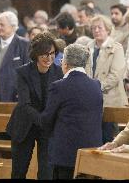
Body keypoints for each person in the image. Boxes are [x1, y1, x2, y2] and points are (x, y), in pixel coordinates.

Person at [33, 43, 103, 179]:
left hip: (66, 154)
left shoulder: (59, 86)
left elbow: (47, 120)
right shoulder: (96, 85)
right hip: (92, 151)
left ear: (65, 63)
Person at [6, 32, 63, 179]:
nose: (48, 58)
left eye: (51, 53)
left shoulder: (59, 72)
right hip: (25, 124)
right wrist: (42, 120)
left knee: (46, 173)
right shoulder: (23, 72)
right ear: (36, 54)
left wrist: (48, 121)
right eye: (44, 54)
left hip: (47, 127)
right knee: (19, 171)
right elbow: (25, 103)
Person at [85, 14, 128, 144]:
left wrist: (96, 87)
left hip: (110, 99)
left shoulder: (116, 48)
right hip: (91, 99)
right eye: (93, 28)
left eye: (99, 27)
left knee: (107, 137)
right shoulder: (88, 47)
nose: (96, 30)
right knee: (93, 138)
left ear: (108, 29)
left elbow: (115, 75)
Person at [0, 11, 30, 102]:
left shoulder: (24, 44)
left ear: (13, 27)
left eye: (2, 25)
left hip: (12, 95)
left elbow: (28, 72)